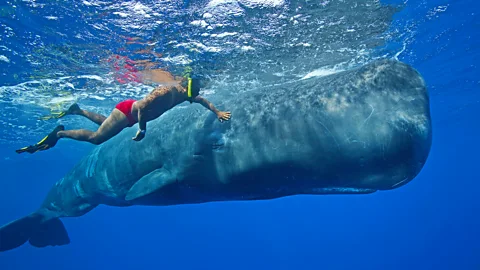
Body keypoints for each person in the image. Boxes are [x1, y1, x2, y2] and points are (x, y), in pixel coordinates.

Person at [15, 75, 231, 154]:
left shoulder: (185, 96)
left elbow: (203, 101)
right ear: (187, 84)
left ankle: (77, 110)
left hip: (128, 115)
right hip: (129, 110)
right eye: (198, 88)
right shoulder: (167, 90)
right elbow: (145, 107)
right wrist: (142, 129)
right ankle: (59, 134)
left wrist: (218, 111)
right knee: (97, 138)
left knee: (106, 124)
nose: (199, 92)